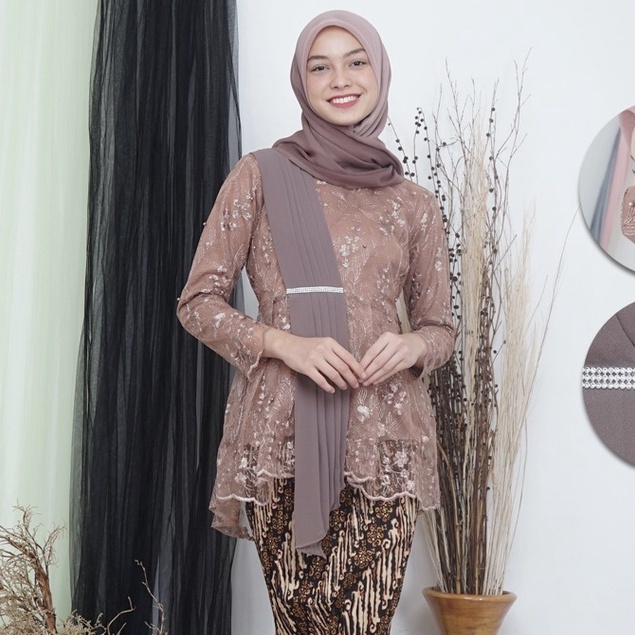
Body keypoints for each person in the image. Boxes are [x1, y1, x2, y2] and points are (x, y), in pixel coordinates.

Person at [177, 9, 453, 634]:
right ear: (301, 81)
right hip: (281, 430)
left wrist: (413, 345)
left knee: (360, 622)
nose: (340, 80)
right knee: (304, 624)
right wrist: (284, 344)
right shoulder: (261, 175)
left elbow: (439, 328)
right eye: (319, 67)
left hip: (386, 434)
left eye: (356, 62)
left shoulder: (413, 203)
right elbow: (199, 302)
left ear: (379, 71)